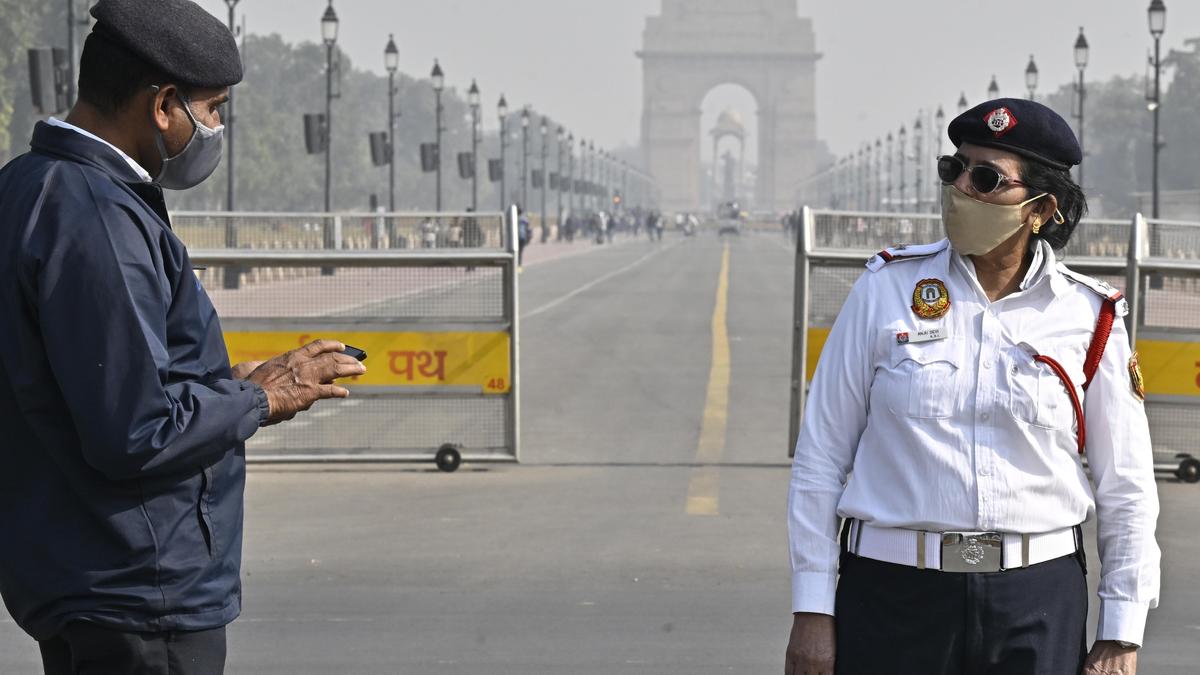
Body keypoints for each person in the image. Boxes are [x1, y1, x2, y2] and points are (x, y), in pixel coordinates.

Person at [0, 1, 367, 673]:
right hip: (139, 588)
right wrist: (261, 399)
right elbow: (134, 431)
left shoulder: (30, 185)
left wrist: (227, 385)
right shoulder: (100, 219)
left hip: (79, 568)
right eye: (215, 107)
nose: (218, 127)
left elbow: (82, 383)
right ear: (165, 103)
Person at [785, 99, 1159, 675]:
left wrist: (1121, 633)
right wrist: (812, 607)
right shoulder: (885, 291)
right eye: (953, 169)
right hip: (891, 596)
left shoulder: (1091, 317)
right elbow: (820, 458)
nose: (962, 188)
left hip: (1037, 602)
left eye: (986, 178)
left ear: (1042, 209)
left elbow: (1126, 487)